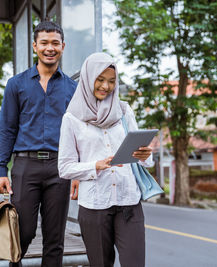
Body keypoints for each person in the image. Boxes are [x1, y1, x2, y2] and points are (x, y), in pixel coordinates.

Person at [0, 21, 78, 267]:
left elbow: (78, 134)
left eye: (55, 43)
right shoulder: (16, 84)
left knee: (54, 238)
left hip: (60, 168)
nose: (49, 48)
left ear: (63, 46)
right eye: (44, 43)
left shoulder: (73, 89)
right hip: (25, 167)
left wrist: (78, 172)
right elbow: (6, 129)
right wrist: (1, 171)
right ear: (35, 46)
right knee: (24, 231)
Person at [58, 52, 153, 267]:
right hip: (94, 205)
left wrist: (146, 156)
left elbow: (142, 157)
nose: (106, 86)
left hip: (129, 200)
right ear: (88, 78)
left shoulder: (123, 111)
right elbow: (64, 168)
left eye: (111, 81)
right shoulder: (72, 118)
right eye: (100, 80)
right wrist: (95, 166)